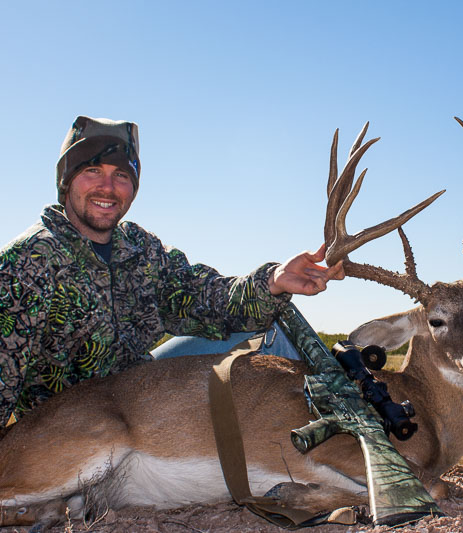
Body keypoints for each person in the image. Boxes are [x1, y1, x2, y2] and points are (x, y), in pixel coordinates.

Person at [0, 116, 343, 427]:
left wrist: (274, 280)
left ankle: (318, 440)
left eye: (121, 175)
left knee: (277, 323)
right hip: (74, 430)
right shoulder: (26, 262)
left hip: (140, 392)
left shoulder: (139, 247)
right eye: (92, 171)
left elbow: (204, 297)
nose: (107, 187)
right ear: (66, 180)